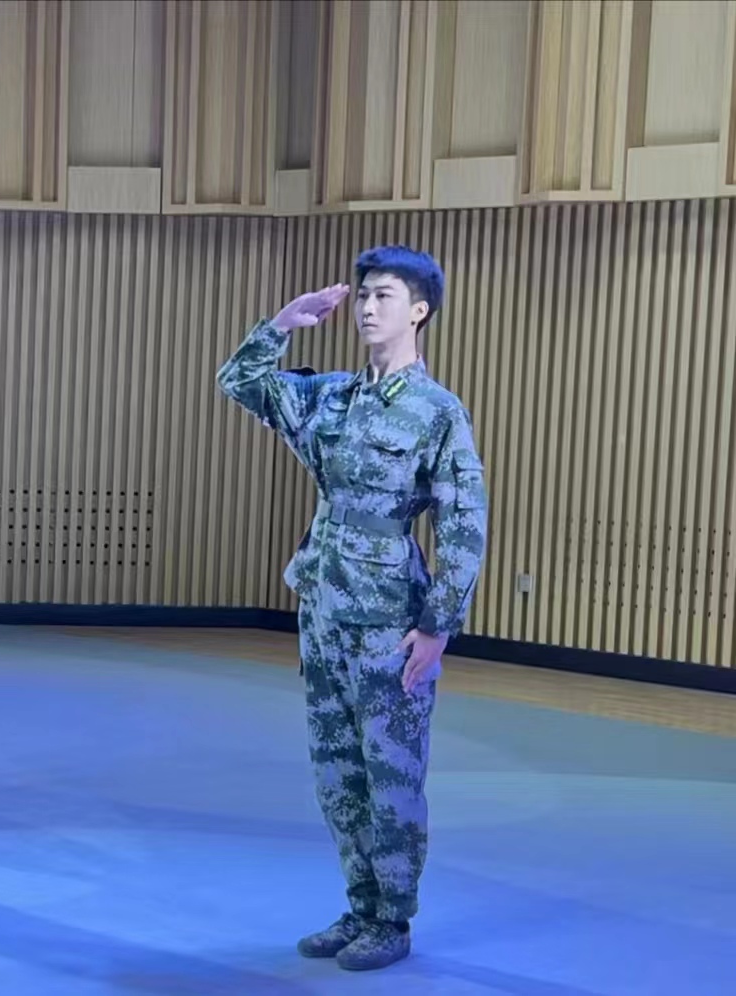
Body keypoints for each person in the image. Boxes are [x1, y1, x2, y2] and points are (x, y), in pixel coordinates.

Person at [216, 246, 487, 971]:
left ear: (419, 310)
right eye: (363, 295)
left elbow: (464, 526)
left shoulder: (437, 412)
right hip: (325, 609)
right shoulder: (331, 396)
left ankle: (391, 921)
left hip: (389, 623)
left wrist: (436, 628)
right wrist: (281, 325)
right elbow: (239, 382)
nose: (367, 307)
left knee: (390, 778)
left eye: (384, 296)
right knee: (338, 777)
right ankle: (359, 906)